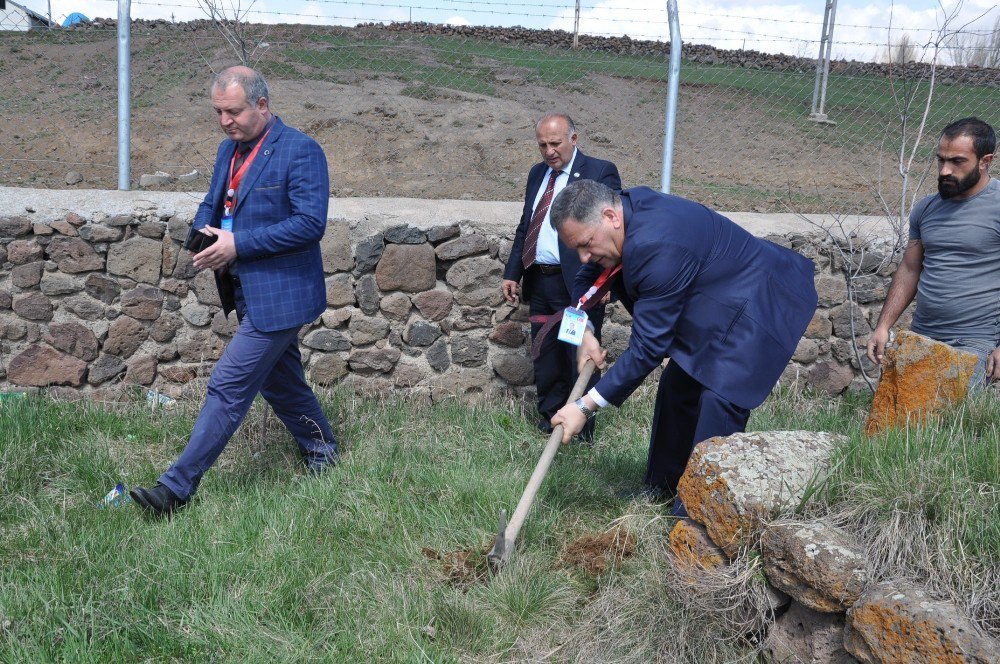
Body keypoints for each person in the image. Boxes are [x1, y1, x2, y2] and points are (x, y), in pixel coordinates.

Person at [130, 66, 340, 518]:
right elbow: (215, 200)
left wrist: (238, 244)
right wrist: (201, 236)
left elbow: (310, 224)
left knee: (228, 385)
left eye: (234, 111)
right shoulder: (229, 150)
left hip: (283, 294)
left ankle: (175, 490)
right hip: (243, 289)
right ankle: (324, 454)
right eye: (218, 112)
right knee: (281, 382)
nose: (225, 121)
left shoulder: (302, 151)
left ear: (262, 105)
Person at [548, 181, 817, 512]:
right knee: (678, 382)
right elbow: (583, 281)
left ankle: (696, 518)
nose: (584, 256)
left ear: (609, 216)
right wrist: (585, 332)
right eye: (577, 248)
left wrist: (585, 406)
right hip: (719, 298)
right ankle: (662, 486)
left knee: (720, 399)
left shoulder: (656, 244)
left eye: (587, 245)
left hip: (760, 303)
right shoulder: (624, 216)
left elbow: (647, 349)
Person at [501, 113, 621, 441]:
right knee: (546, 352)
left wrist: (606, 278)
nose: (549, 151)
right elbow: (527, 224)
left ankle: (581, 426)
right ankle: (550, 417)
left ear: (573, 139)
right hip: (541, 280)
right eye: (543, 145)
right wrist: (513, 272)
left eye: (555, 143)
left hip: (578, 281)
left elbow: (609, 230)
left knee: (576, 351)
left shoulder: (599, 171)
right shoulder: (537, 174)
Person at [867, 117, 999, 387]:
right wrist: (883, 326)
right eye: (941, 160)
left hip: (975, 340)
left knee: (949, 421)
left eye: (957, 161)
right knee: (897, 424)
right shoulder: (926, 209)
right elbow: (910, 268)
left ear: (985, 161)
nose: (945, 170)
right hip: (922, 335)